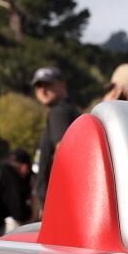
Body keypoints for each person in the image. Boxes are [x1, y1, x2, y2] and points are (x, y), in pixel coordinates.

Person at [31, 66, 80, 212]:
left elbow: (63, 152)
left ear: (62, 86)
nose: (42, 90)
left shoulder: (59, 111)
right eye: (38, 86)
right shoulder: (68, 109)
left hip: (56, 204)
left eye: (48, 84)